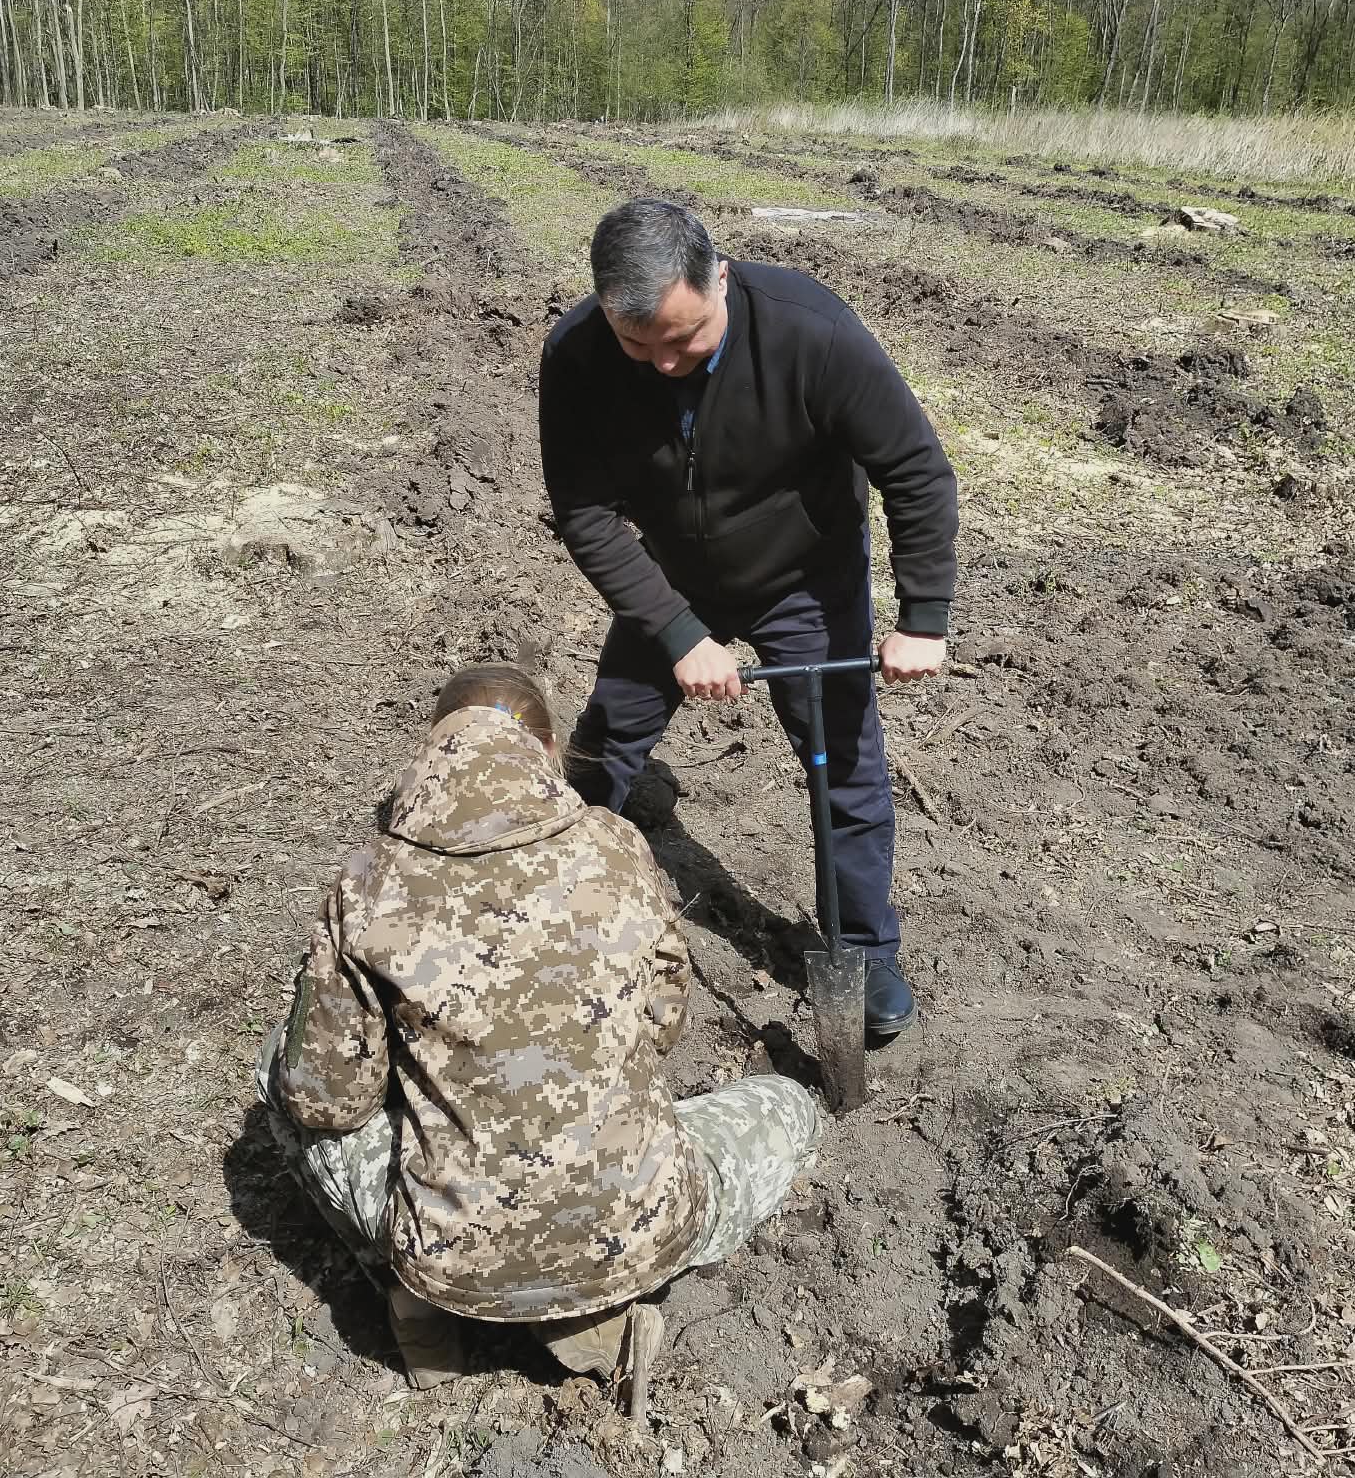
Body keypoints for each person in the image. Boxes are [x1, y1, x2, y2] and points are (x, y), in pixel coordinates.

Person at [253, 663, 821, 1397]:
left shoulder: (368, 881)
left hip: (455, 1256)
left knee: (279, 1065)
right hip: (640, 1228)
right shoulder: (615, 845)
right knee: (789, 1104)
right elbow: (663, 1025)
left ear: (433, 751)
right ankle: (598, 1316)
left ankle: (414, 1308)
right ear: (550, 751)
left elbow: (326, 1100)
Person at [540, 199, 959, 1038]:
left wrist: (923, 616)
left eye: (684, 339)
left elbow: (915, 470)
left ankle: (863, 949)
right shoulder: (577, 354)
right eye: (639, 346)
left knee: (845, 763)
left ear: (719, 279)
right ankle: (545, 895)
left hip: (806, 576)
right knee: (607, 739)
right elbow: (585, 515)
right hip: (672, 574)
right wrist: (678, 632)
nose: (665, 364)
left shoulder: (812, 332)